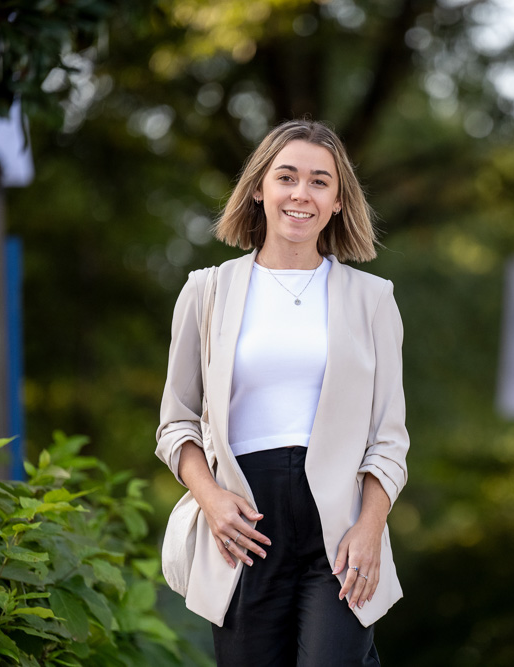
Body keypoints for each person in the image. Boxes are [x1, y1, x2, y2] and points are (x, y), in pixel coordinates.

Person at [155, 118, 408, 666]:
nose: (301, 193)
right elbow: (176, 424)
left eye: (320, 181)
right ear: (258, 189)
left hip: (339, 532)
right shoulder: (207, 291)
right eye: (287, 177)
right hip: (245, 528)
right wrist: (213, 500)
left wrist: (369, 528)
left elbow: (389, 440)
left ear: (339, 201)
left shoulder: (373, 300)